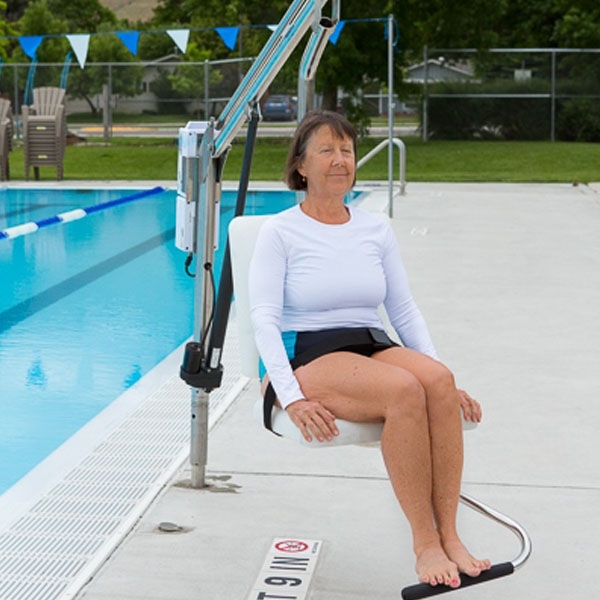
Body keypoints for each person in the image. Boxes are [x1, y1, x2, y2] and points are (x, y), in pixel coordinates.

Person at [248, 110, 491, 590]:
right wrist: (289, 394)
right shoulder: (280, 231)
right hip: (309, 352)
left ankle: (451, 536)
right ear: (300, 166)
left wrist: (443, 374)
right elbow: (264, 320)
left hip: (367, 342)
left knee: (437, 384)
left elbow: (403, 311)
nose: (340, 160)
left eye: (347, 151)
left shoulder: (373, 228)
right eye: (326, 150)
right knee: (402, 390)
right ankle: (425, 544)